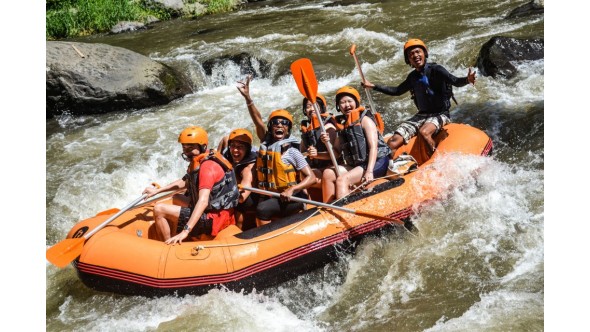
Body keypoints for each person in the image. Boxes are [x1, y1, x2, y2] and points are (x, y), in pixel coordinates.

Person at [362, 38, 476, 157]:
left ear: (424, 53)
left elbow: (455, 81)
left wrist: (467, 80)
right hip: (421, 115)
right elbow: (397, 91)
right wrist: (374, 86)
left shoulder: (437, 70)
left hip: (441, 113)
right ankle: (391, 168)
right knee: (392, 142)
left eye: (418, 52)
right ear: (408, 60)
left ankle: (436, 161)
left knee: (424, 133)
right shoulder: (412, 77)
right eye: (411, 54)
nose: (415, 55)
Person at [237, 75, 316, 226]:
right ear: (271, 128)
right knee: (242, 203)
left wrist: (292, 189)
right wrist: (248, 98)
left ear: (288, 129)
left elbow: (311, 178)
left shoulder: (292, 152)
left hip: (288, 196)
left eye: (284, 123)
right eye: (275, 123)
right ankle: (238, 235)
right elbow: (258, 120)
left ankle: (264, 237)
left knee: (262, 209)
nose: (279, 125)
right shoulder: (266, 142)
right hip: (267, 193)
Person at [143, 126, 240, 244]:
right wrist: (158, 191)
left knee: (159, 209)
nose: (187, 152)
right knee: (176, 197)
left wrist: (186, 231)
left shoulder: (207, 167)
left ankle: (168, 249)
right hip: (214, 210)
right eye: (184, 148)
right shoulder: (199, 160)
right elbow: (185, 182)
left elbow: (203, 201)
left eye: (191, 148)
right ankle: (176, 235)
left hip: (215, 219)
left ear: (203, 146)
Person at [320, 86, 391, 203]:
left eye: (349, 101)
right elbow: (337, 153)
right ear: (338, 106)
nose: (346, 105)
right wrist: (327, 143)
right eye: (342, 103)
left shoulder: (365, 120)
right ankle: (328, 208)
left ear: (356, 102)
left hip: (376, 161)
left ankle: (347, 213)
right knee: (328, 173)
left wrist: (369, 171)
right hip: (358, 164)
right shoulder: (343, 126)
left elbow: (374, 147)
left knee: (342, 180)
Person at [217, 128, 258, 230]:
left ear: (247, 149)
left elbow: (247, 186)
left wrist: (239, 194)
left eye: (240, 147)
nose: (235, 150)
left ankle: (237, 230)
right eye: (233, 146)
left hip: (251, 195)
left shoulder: (248, 167)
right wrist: (218, 157)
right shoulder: (228, 150)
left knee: (241, 206)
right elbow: (225, 139)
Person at [299, 93, 339, 190]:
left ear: (321, 108)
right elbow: (302, 153)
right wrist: (308, 153)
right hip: (319, 168)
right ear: (305, 110)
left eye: (315, 106)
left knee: (326, 174)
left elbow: (337, 154)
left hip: (333, 167)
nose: (312, 109)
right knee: (303, 173)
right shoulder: (308, 130)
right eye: (308, 106)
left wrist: (317, 155)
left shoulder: (329, 127)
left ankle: (330, 196)